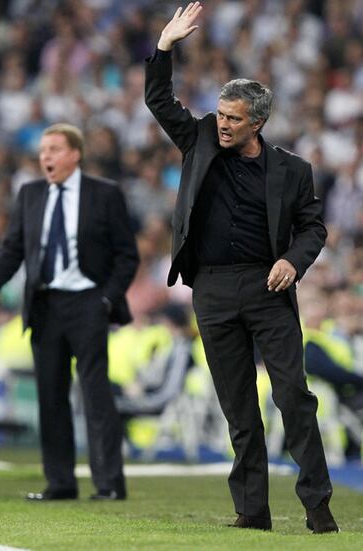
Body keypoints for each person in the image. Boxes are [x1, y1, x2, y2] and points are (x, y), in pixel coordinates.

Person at [145, 2, 338, 533]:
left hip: (267, 286)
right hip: (210, 287)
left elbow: (313, 229)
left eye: (233, 119)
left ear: (257, 122)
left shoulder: (292, 171)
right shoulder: (200, 139)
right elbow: (159, 100)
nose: (223, 124)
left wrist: (291, 262)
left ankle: (318, 507)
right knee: (237, 407)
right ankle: (253, 512)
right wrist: (164, 47)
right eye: (221, 115)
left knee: (293, 397)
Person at [0, 123, 139, 501]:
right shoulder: (30, 194)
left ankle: (109, 484)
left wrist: (106, 300)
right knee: (51, 395)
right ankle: (60, 483)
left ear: (75, 154)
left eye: (54, 149)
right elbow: (13, 249)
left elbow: (127, 256)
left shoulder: (105, 194)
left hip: (88, 302)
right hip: (45, 305)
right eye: (43, 150)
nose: (45, 156)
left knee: (96, 395)